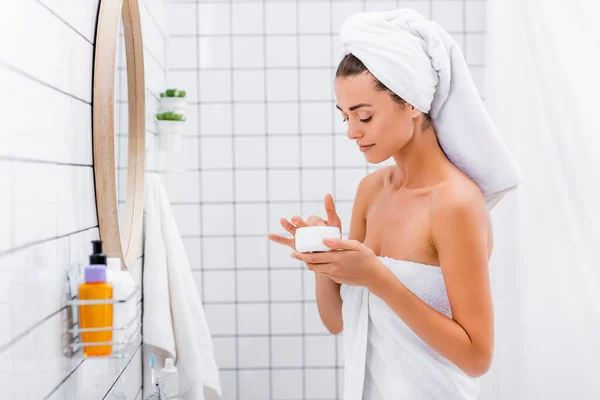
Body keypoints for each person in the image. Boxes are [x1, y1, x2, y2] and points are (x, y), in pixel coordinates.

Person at [269, 8, 522, 400]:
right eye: (344, 118)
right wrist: (323, 260)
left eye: (364, 116)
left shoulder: (454, 203)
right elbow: (339, 322)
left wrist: (378, 278)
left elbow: (477, 357)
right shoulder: (372, 190)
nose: (352, 132)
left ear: (412, 103)